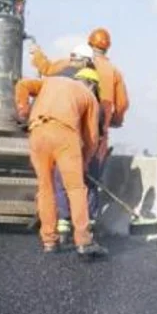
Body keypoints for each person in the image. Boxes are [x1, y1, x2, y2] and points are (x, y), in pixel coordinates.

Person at [31, 29, 130, 240]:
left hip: (70, 129)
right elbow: (121, 106)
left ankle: (64, 220)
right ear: (107, 47)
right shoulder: (113, 71)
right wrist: (114, 122)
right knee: (88, 179)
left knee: (63, 177)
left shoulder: (70, 63)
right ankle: (88, 224)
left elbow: (46, 68)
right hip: (96, 133)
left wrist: (36, 54)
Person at [14, 68, 108, 259]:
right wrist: (85, 161)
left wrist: (23, 110)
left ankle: (49, 241)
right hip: (65, 135)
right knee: (75, 188)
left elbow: (22, 84)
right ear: (92, 85)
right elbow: (91, 137)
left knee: (45, 188)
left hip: (38, 132)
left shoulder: (50, 81)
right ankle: (83, 241)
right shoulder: (89, 97)